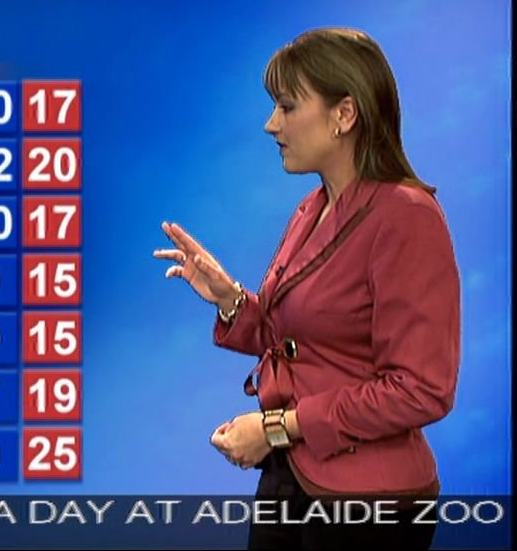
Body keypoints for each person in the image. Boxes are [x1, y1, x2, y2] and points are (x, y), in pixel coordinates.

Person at [153, 27, 460, 550]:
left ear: (345, 114)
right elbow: (303, 341)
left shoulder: (407, 217)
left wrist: (277, 428)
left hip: (366, 506)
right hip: (292, 480)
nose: (271, 123)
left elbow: (420, 388)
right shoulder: (311, 208)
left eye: (287, 106)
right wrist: (230, 300)